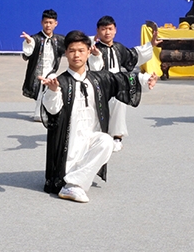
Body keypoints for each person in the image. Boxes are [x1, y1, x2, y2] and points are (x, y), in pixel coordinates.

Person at [39, 30, 157, 203]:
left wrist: (144, 81)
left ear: (88, 52)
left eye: (81, 50)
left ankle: (73, 184)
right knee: (67, 166)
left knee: (107, 142)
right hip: (69, 141)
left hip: (89, 136)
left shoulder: (97, 79)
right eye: (72, 50)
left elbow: (121, 79)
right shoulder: (60, 82)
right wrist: (53, 91)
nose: (76, 55)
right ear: (65, 53)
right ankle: (72, 184)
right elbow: (52, 110)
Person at [89, 15, 160, 151]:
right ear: (98, 31)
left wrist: (150, 44)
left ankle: (117, 136)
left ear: (115, 30)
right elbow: (93, 69)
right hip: (99, 85)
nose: (107, 32)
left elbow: (133, 55)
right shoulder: (93, 49)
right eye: (103, 29)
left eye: (110, 29)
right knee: (97, 110)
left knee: (119, 103)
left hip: (118, 84)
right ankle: (98, 137)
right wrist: (95, 55)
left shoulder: (119, 48)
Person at [21, 9, 66, 122]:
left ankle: (44, 113)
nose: (48, 25)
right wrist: (28, 43)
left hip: (51, 71)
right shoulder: (35, 38)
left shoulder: (59, 39)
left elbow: (72, 45)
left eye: (51, 22)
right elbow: (28, 53)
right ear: (42, 22)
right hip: (37, 72)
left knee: (52, 88)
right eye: (46, 22)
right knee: (40, 90)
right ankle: (41, 113)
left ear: (56, 23)